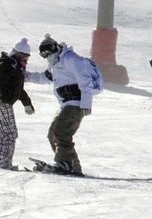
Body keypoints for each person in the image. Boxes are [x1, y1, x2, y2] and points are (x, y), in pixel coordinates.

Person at [26, 33, 102, 175]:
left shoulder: (70, 59)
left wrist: (86, 102)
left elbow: (85, 79)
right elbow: (44, 77)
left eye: (47, 53)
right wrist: (26, 76)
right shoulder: (55, 64)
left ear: (54, 48)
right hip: (66, 104)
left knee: (61, 133)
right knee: (52, 135)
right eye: (43, 55)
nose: (46, 56)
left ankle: (65, 163)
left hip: (76, 103)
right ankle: (73, 166)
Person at [0, 37, 36, 169]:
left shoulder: (16, 66)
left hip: (0, 100)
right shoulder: (8, 63)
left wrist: (27, 103)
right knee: (9, 134)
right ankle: (1, 162)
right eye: (24, 56)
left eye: (27, 57)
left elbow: (18, 89)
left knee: (4, 134)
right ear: (17, 53)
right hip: (1, 101)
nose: (26, 60)